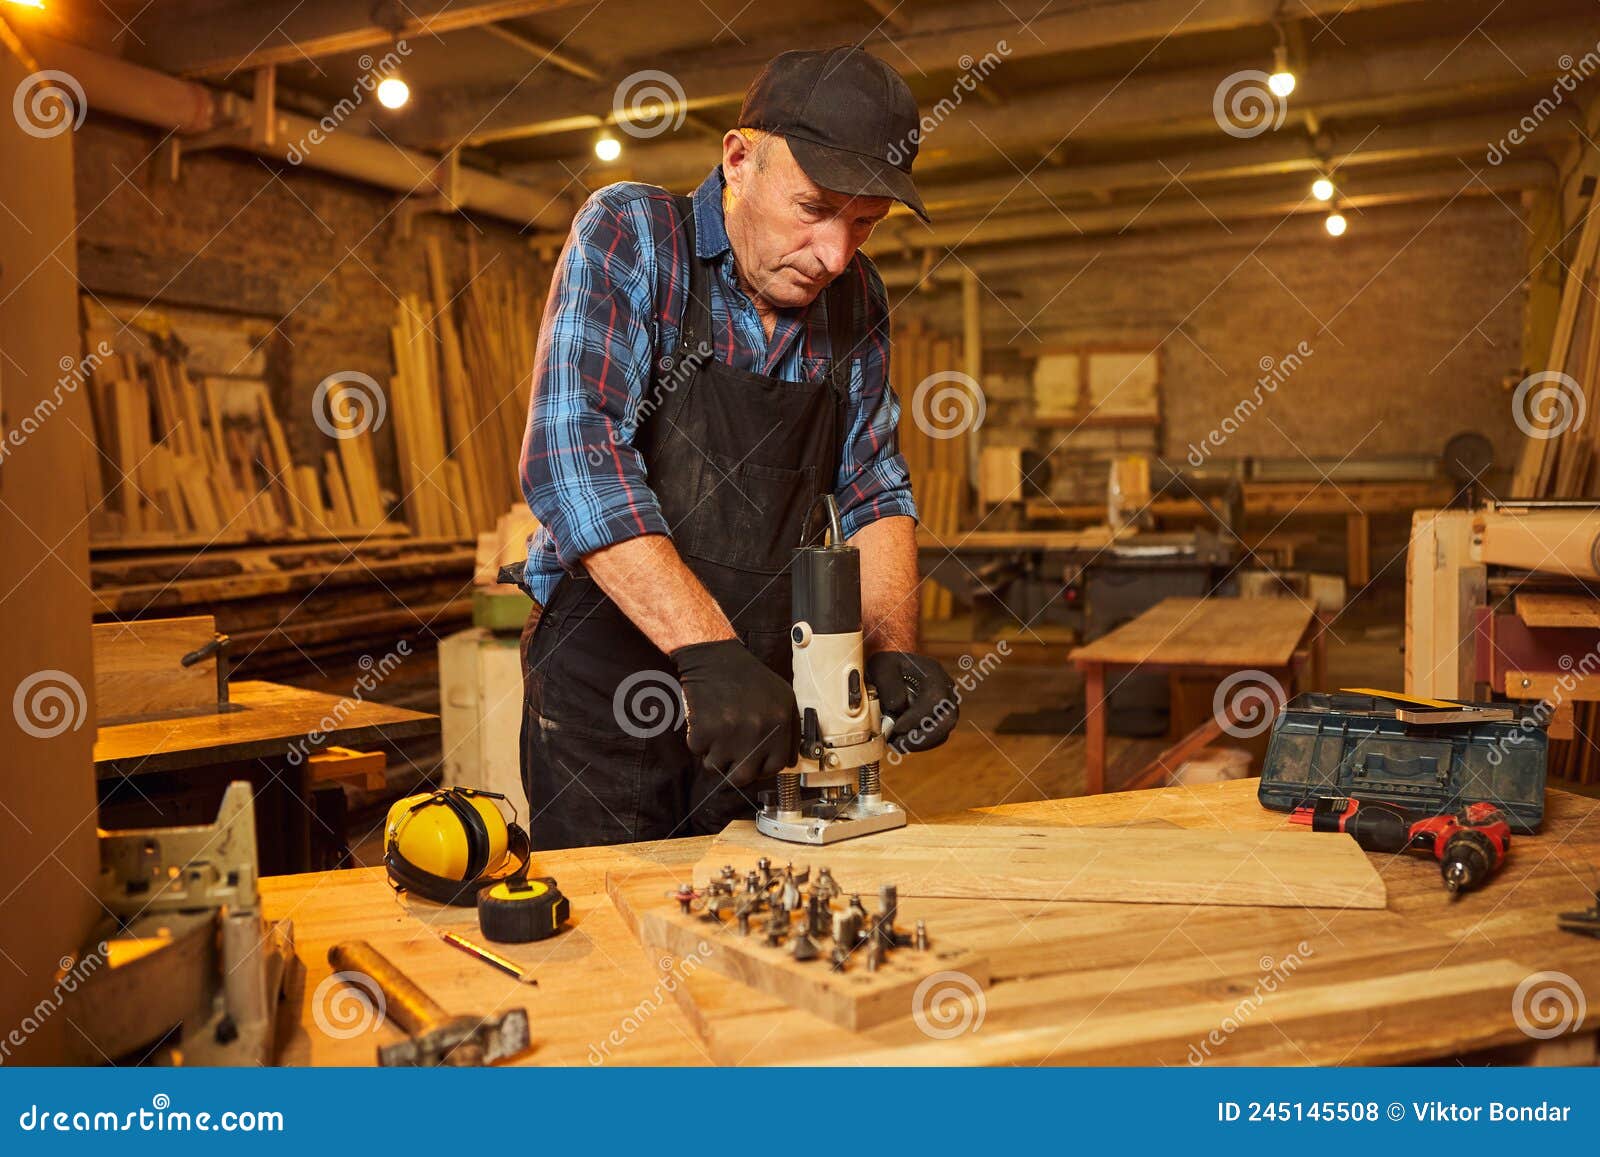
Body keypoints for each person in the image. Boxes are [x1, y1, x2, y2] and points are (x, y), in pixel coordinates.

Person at [517, 46, 958, 849]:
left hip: (758, 698)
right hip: (609, 685)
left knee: (746, 932)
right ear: (738, 159)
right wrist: (706, 648)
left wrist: (890, 651)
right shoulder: (633, 235)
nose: (836, 254)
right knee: (610, 942)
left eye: (864, 224)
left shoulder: (856, 299)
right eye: (814, 208)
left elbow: (872, 486)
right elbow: (572, 457)